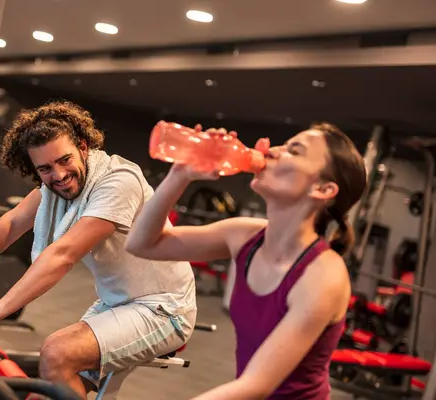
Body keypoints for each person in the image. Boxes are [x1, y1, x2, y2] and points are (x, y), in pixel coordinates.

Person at [0, 101, 197, 398]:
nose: (58, 175)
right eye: (45, 168)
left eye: (64, 160)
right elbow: (10, 224)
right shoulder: (53, 189)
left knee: (57, 354)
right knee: (48, 391)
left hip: (164, 308)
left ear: (83, 147)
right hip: (117, 302)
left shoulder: (118, 182)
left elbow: (64, 254)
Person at [125, 123, 367, 399]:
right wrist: (180, 174)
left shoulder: (323, 275)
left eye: (294, 151)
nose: (273, 150)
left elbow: (257, 384)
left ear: (323, 189)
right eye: (283, 144)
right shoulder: (245, 236)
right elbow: (142, 244)